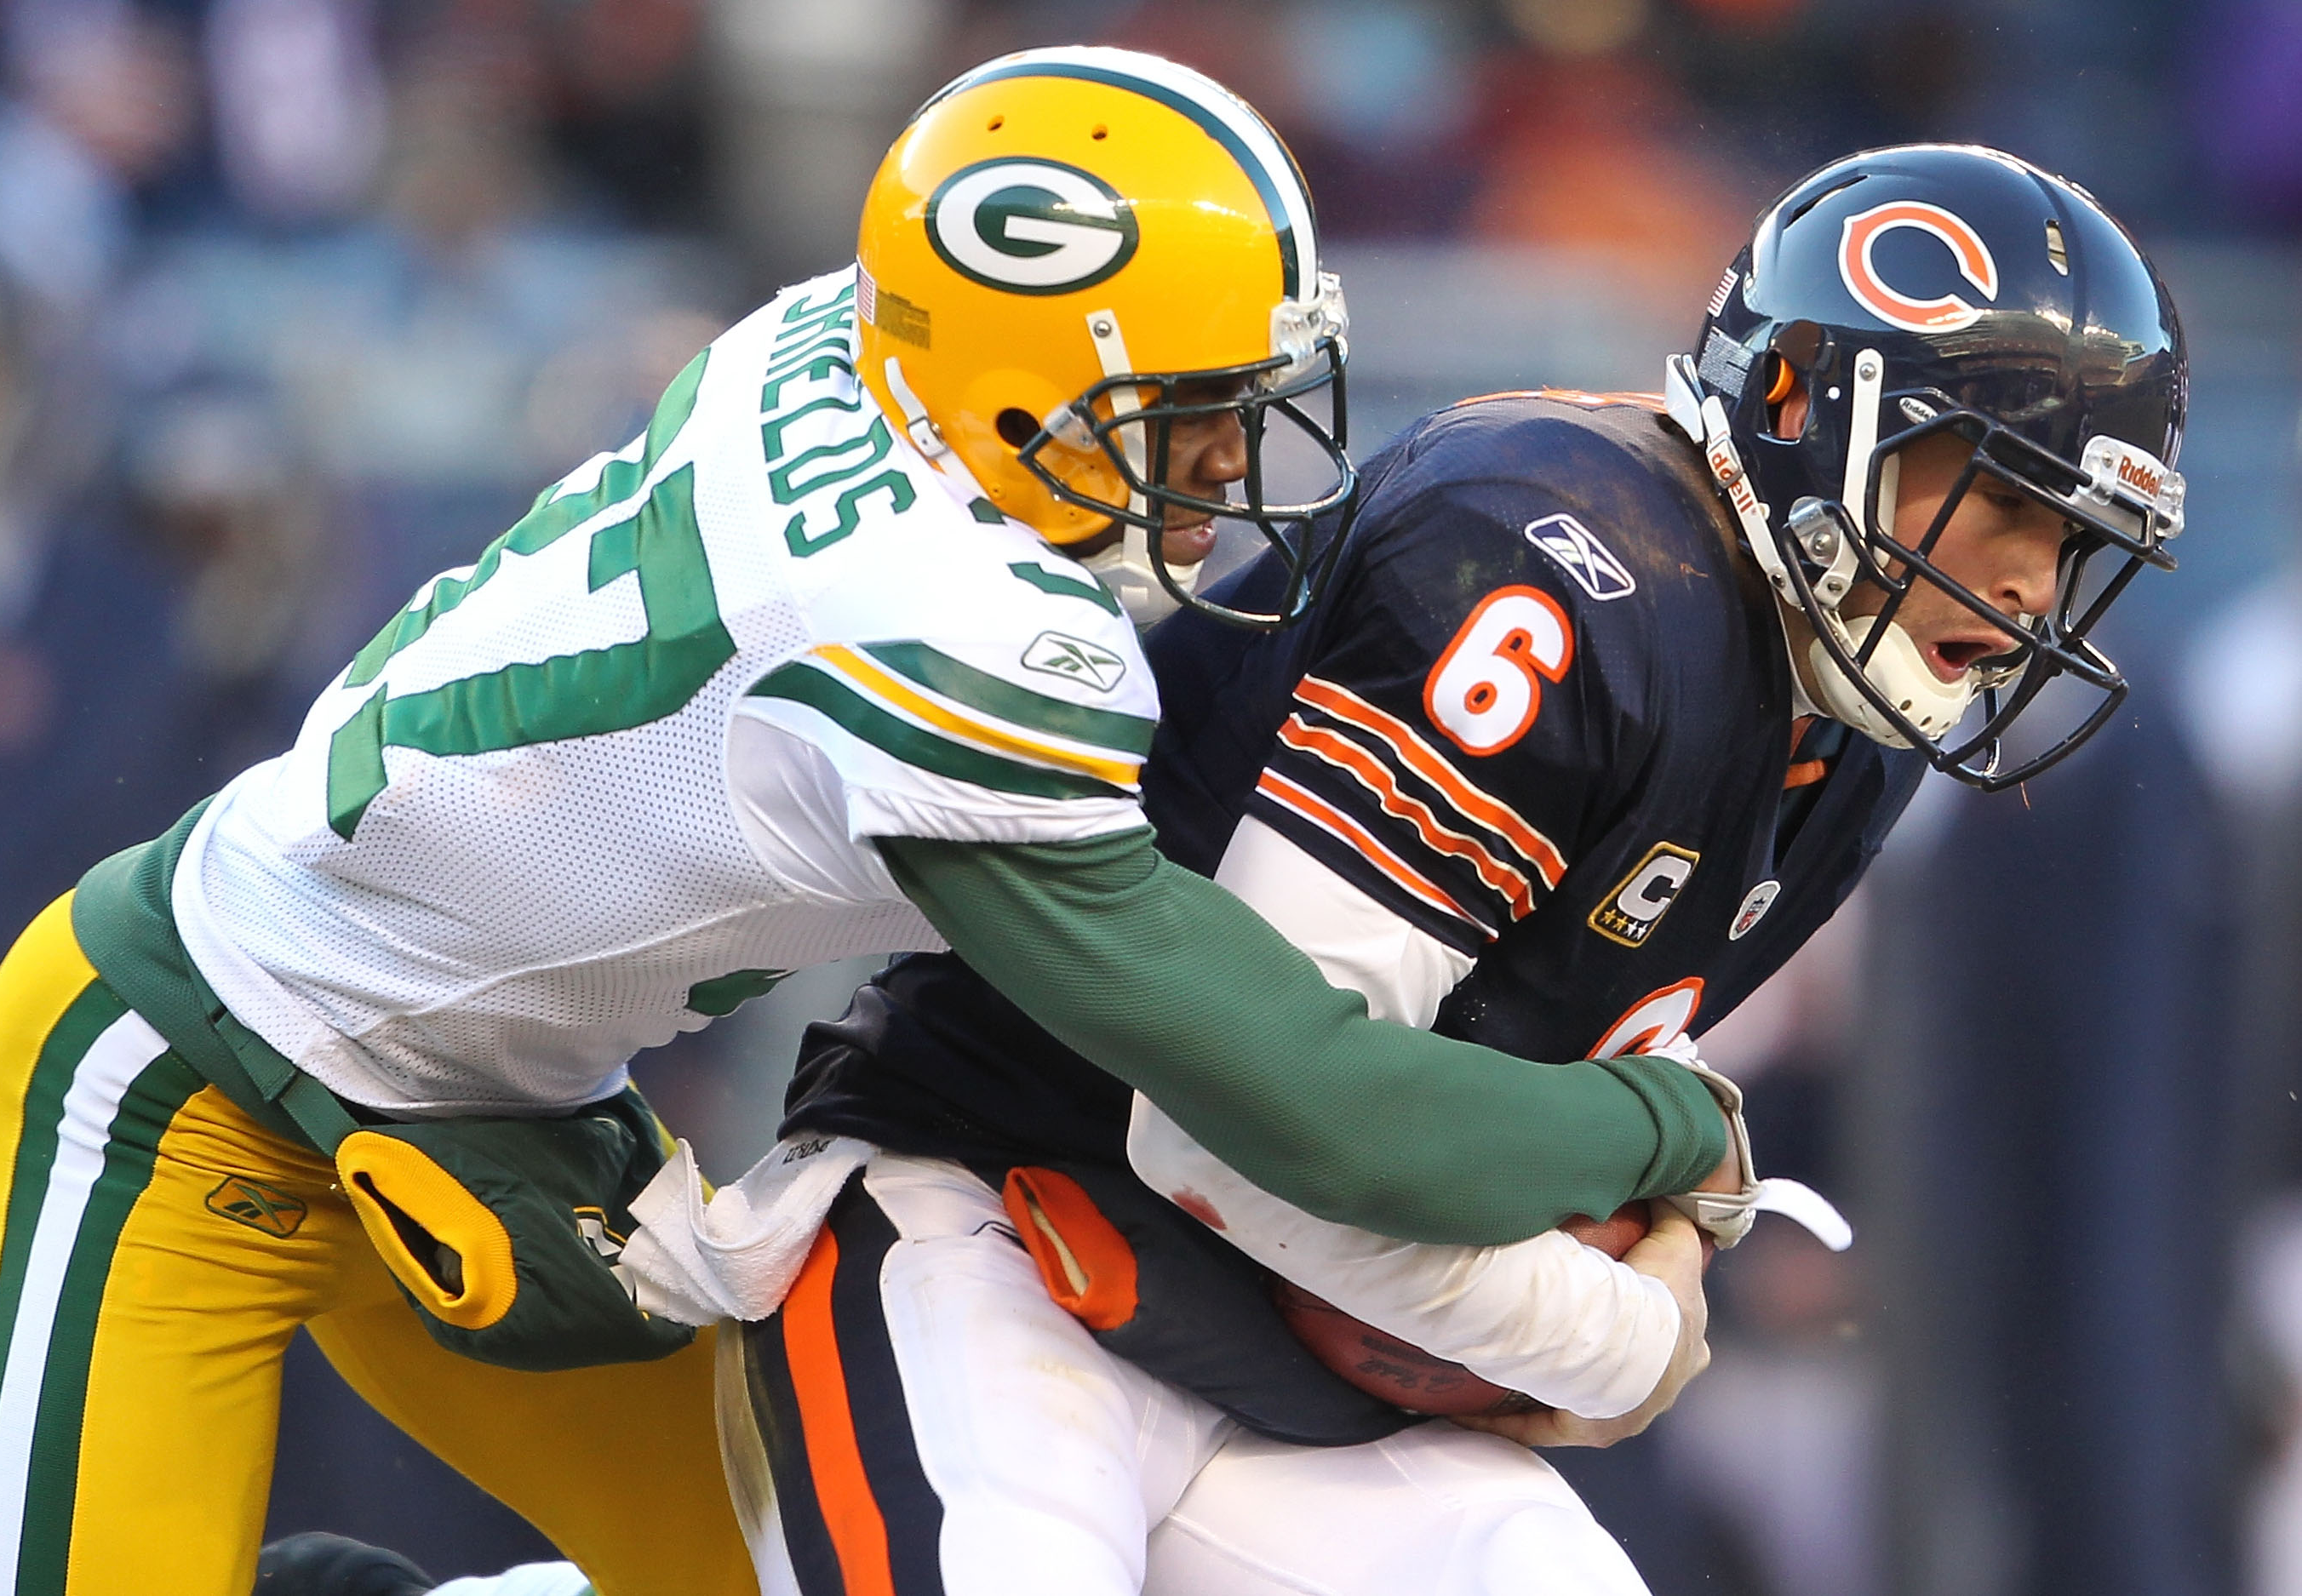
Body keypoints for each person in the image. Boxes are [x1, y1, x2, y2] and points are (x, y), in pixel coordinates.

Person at [0, 48, 1742, 1596]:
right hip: (184, 1070)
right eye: (1186, 417)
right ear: (1029, 374)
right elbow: (1301, 1092)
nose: (1224, 465)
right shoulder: (944, 626)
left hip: (502, 1110)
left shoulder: (857, 345)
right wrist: (1661, 1119)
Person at [575, 142, 2175, 1596]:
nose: (2032, 586)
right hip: (1003, 1218)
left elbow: (1591, 1127)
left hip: (1288, 1355)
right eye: (1997, 498)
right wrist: (1624, 1339)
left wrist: (1669, 1222)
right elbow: (1245, 1134)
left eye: (2073, 543)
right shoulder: (1560, 564)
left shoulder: (1852, 723)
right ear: (1802, 414)